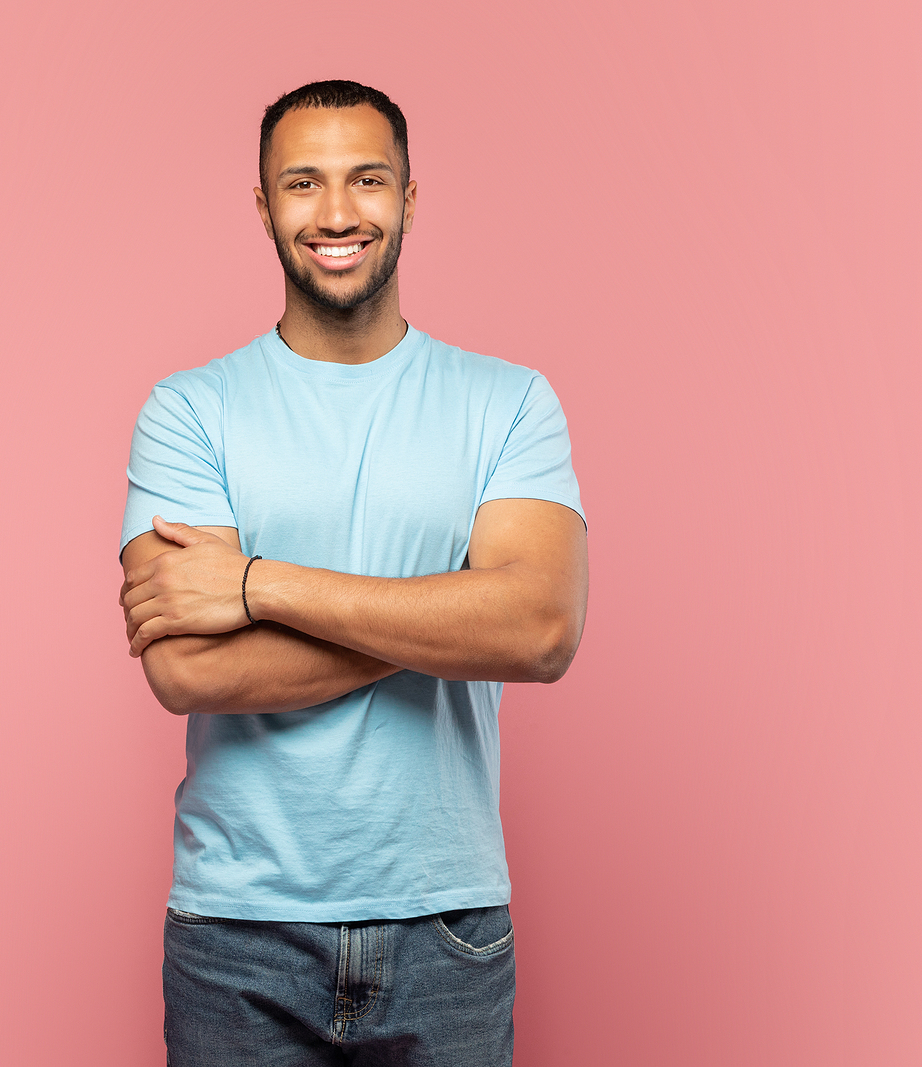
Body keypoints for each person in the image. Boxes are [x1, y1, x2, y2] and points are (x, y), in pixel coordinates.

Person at [118, 80, 588, 1066]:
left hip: (447, 920)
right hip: (236, 929)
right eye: (303, 183)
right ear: (263, 205)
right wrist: (451, 606)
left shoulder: (507, 403)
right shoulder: (188, 410)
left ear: (410, 199)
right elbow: (186, 673)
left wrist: (254, 583)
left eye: (366, 180)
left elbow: (539, 629)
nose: (336, 214)